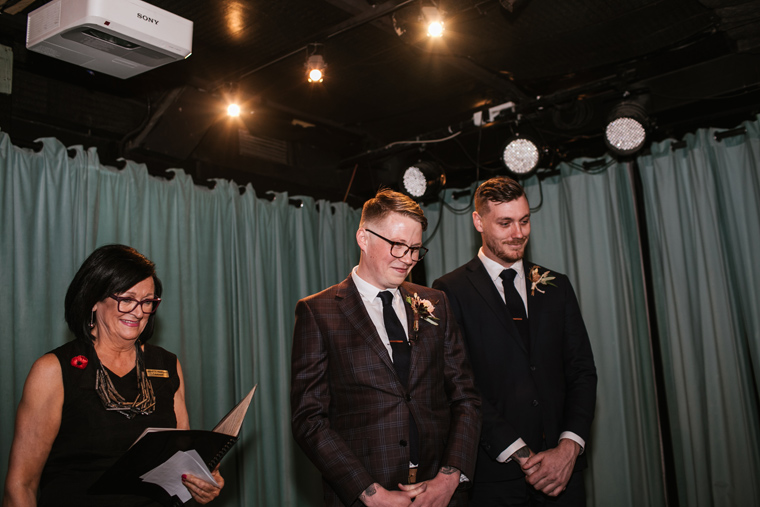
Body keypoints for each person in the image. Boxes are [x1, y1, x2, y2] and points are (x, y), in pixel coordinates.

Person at [291, 188, 481, 507]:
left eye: (415, 249)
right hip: (365, 496)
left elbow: (465, 395)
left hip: (440, 494)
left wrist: (451, 478)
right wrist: (369, 492)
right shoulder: (318, 311)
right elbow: (309, 419)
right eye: (397, 246)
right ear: (363, 238)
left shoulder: (436, 302)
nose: (407, 258)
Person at [3, 244, 224, 507]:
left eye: (147, 301)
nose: (139, 311)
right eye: (127, 299)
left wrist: (203, 481)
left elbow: (182, 459)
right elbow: (20, 486)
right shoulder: (53, 370)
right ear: (94, 299)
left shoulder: (167, 365)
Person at [432, 177, 597, 506]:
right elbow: (462, 385)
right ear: (479, 221)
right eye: (505, 223)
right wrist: (520, 454)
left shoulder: (557, 286)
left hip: (564, 474)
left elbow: (581, 371)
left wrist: (569, 447)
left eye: (524, 221)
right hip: (496, 476)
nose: (518, 233)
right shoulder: (450, 290)